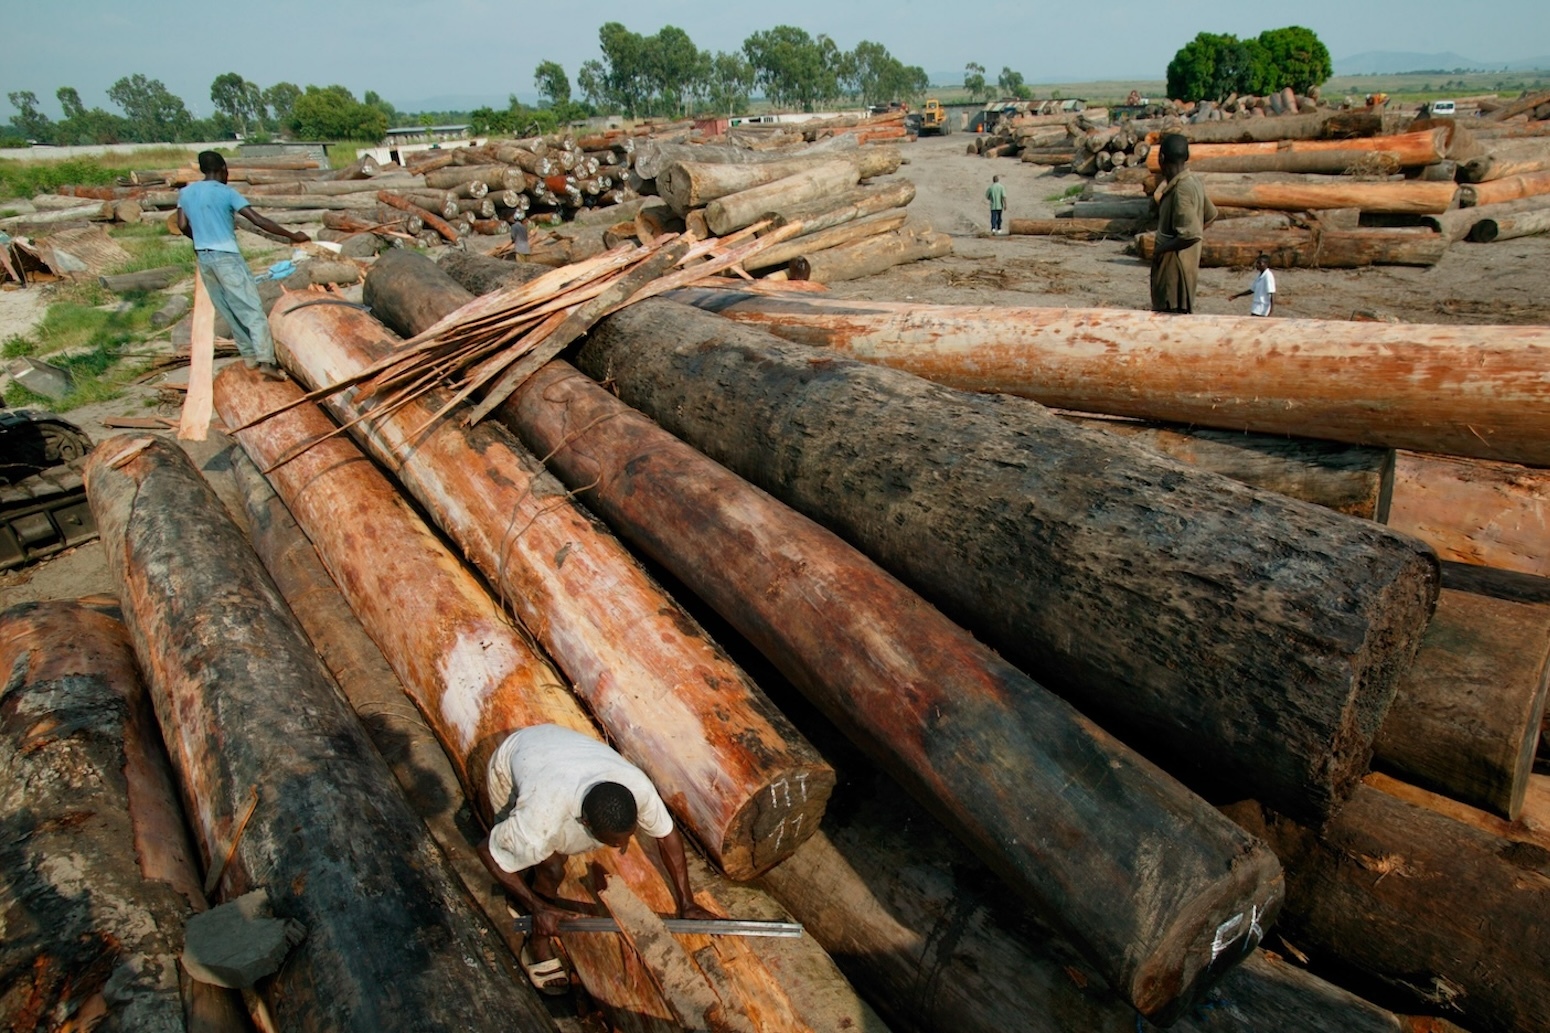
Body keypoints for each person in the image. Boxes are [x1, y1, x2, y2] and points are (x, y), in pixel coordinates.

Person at [477, 723, 715, 994]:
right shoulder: (542, 813)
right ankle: (536, 941)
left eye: (628, 836)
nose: (623, 846)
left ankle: (533, 892)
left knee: (550, 853)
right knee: (552, 868)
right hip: (513, 762)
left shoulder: (636, 787)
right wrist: (537, 907)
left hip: (557, 747)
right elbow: (487, 852)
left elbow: (668, 836)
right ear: (585, 821)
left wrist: (687, 901)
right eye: (614, 842)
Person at [176, 151, 309, 380]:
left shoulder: (186, 192)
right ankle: (266, 360)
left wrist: (199, 238)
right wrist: (292, 235)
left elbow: (181, 224)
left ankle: (249, 357)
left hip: (204, 258)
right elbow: (258, 220)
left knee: (227, 308)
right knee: (251, 308)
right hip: (226, 257)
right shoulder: (226, 192)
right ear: (223, 168)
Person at [1150, 133, 1217, 313]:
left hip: (1174, 275)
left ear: (1161, 158)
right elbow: (1210, 215)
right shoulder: (1193, 182)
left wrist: (1162, 249)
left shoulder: (1182, 189)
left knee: (1169, 325)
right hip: (1185, 269)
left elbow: (1191, 234)